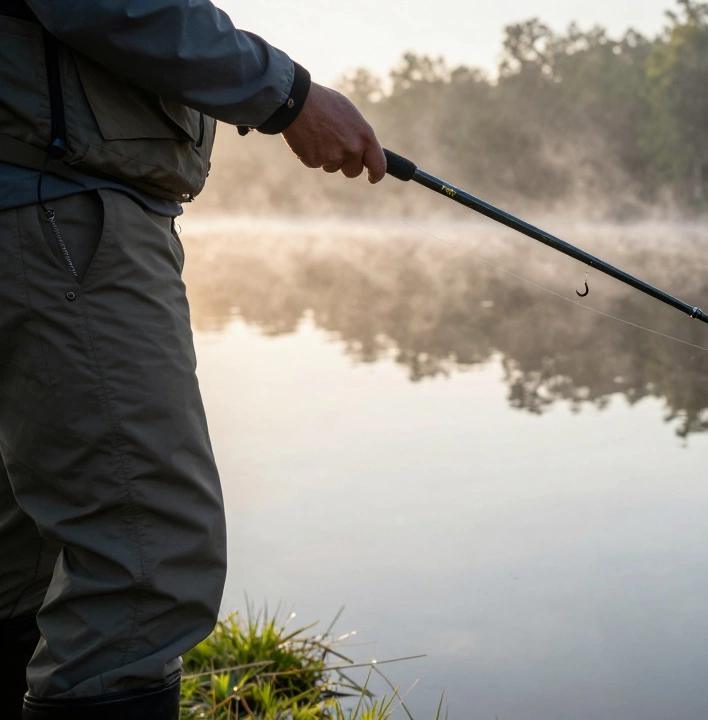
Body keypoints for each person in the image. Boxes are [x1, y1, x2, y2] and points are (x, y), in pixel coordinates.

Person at [0, 1, 386, 717]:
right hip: (58, 204)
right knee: (144, 562)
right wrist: (290, 95)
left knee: (19, 554)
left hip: (37, 197)